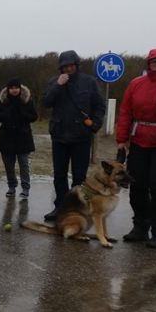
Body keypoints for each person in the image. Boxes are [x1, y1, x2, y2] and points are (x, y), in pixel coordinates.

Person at [42, 50, 106, 222]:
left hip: (81, 137)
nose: (68, 69)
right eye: (65, 66)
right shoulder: (54, 82)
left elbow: (100, 106)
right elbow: (46, 102)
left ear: (76, 65)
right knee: (59, 175)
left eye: (71, 65)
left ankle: (77, 208)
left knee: (79, 177)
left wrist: (95, 125)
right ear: (61, 68)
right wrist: (58, 85)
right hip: (59, 135)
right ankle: (60, 207)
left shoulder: (90, 82)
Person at [116, 49, 156, 247]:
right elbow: (125, 112)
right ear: (149, 63)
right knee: (137, 186)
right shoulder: (136, 84)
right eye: (155, 62)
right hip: (139, 141)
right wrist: (121, 139)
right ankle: (140, 227)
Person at [0, 78, 37, 198]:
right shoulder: (3, 102)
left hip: (23, 137)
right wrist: (7, 114)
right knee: (9, 165)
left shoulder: (27, 101)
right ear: (8, 89)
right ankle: (11, 186)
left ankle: (25, 188)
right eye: (11, 88)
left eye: (16, 87)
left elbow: (34, 116)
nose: (14, 90)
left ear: (20, 88)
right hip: (6, 137)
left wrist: (23, 114)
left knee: (24, 165)